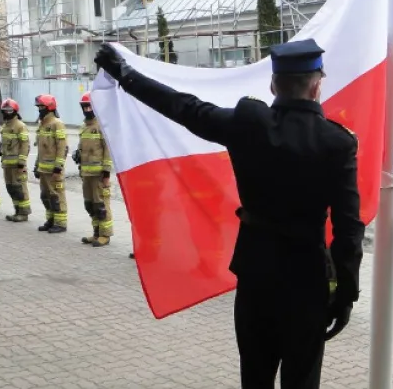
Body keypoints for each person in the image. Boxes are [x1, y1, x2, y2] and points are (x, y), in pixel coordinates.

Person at [94, 39, 364, 389]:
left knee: (255, 376)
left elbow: (184, 107)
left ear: (273, 85)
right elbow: (349, 228)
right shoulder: (337, 142)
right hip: (307, 280)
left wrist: (124, 74)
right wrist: (346, 295)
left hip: (256, 275)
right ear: (316, 86)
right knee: (302, 380)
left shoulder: (249, 123)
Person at [74, 92, 114, 247]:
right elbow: (82, 147)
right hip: (86, 173)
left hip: (98, 174)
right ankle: (96, 232)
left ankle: (105, 235)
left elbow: (108, 150)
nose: (87, 110)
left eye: (89, 106)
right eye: (85, 107)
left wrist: (106, 172)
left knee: (101, 205)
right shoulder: (84, 127)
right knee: (90, 204)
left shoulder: (103, 126)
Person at [34, 94, 69, 233]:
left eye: (42, 107)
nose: (39, 109)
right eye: (38, 107)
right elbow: (41, 149)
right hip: (43, 169)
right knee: (45, 196)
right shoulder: (42, 125)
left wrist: (58, 167)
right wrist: (36, 165)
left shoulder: (57, 124)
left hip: (54, 170)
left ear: (50, 107)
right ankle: (51, 220)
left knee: (56, 196)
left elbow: (62, 147)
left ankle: (60, 223)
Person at [0, 98, 31, 222]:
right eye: (5, 110)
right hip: (7, 165)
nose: (7, 112)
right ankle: (17, 211)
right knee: (11, 188)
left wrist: (22, 162)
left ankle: (24, 213)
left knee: (20, 188)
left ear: (15, 111)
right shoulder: (6, 126)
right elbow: (4, 142)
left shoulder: (20, 126)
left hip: (17, 165)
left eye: (10, 110)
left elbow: (25, 145)